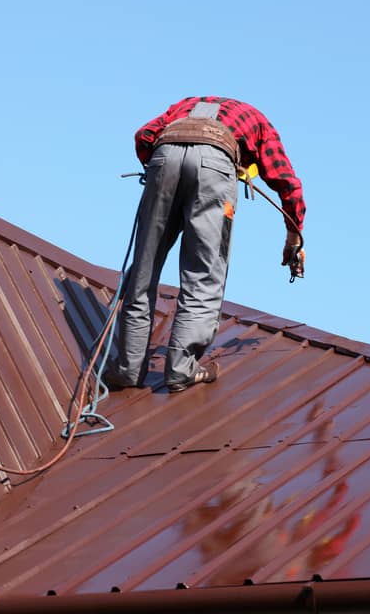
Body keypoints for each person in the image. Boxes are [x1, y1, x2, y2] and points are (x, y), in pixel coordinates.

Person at [106, 96, 306, 394]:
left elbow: (145, 135)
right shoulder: (260, 123)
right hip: (215, 166)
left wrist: (163, 170)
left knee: (143, 272)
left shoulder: (186, 105)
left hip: (164, 157)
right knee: (203, 273)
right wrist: (294, 235)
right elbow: (287, 182)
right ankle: (181, 370)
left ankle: (128, 368)